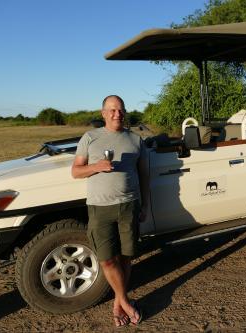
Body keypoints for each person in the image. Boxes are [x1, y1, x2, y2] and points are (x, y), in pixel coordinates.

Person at [71, 95, 148, 327]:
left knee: (126, 256)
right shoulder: (90, 138)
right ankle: (125, 302)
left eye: (121, 110)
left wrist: (145, 205)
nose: (117, 114)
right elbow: (75, 171)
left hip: (129, 205)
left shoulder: (136, 140)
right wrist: (96, 167)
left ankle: (117, 305)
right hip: (99, 208)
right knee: (106, 260)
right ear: (103, 113)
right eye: (112, 110)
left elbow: (144, 175)